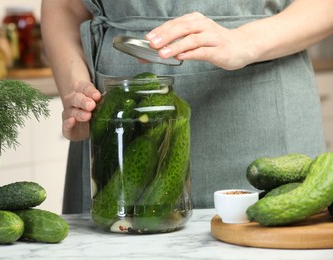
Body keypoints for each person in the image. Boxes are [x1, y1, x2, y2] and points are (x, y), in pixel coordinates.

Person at [41, 0, 333, 214]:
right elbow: (63, 7)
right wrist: (75, 89)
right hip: (120, 113)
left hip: (264, 101)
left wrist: (244, 41)